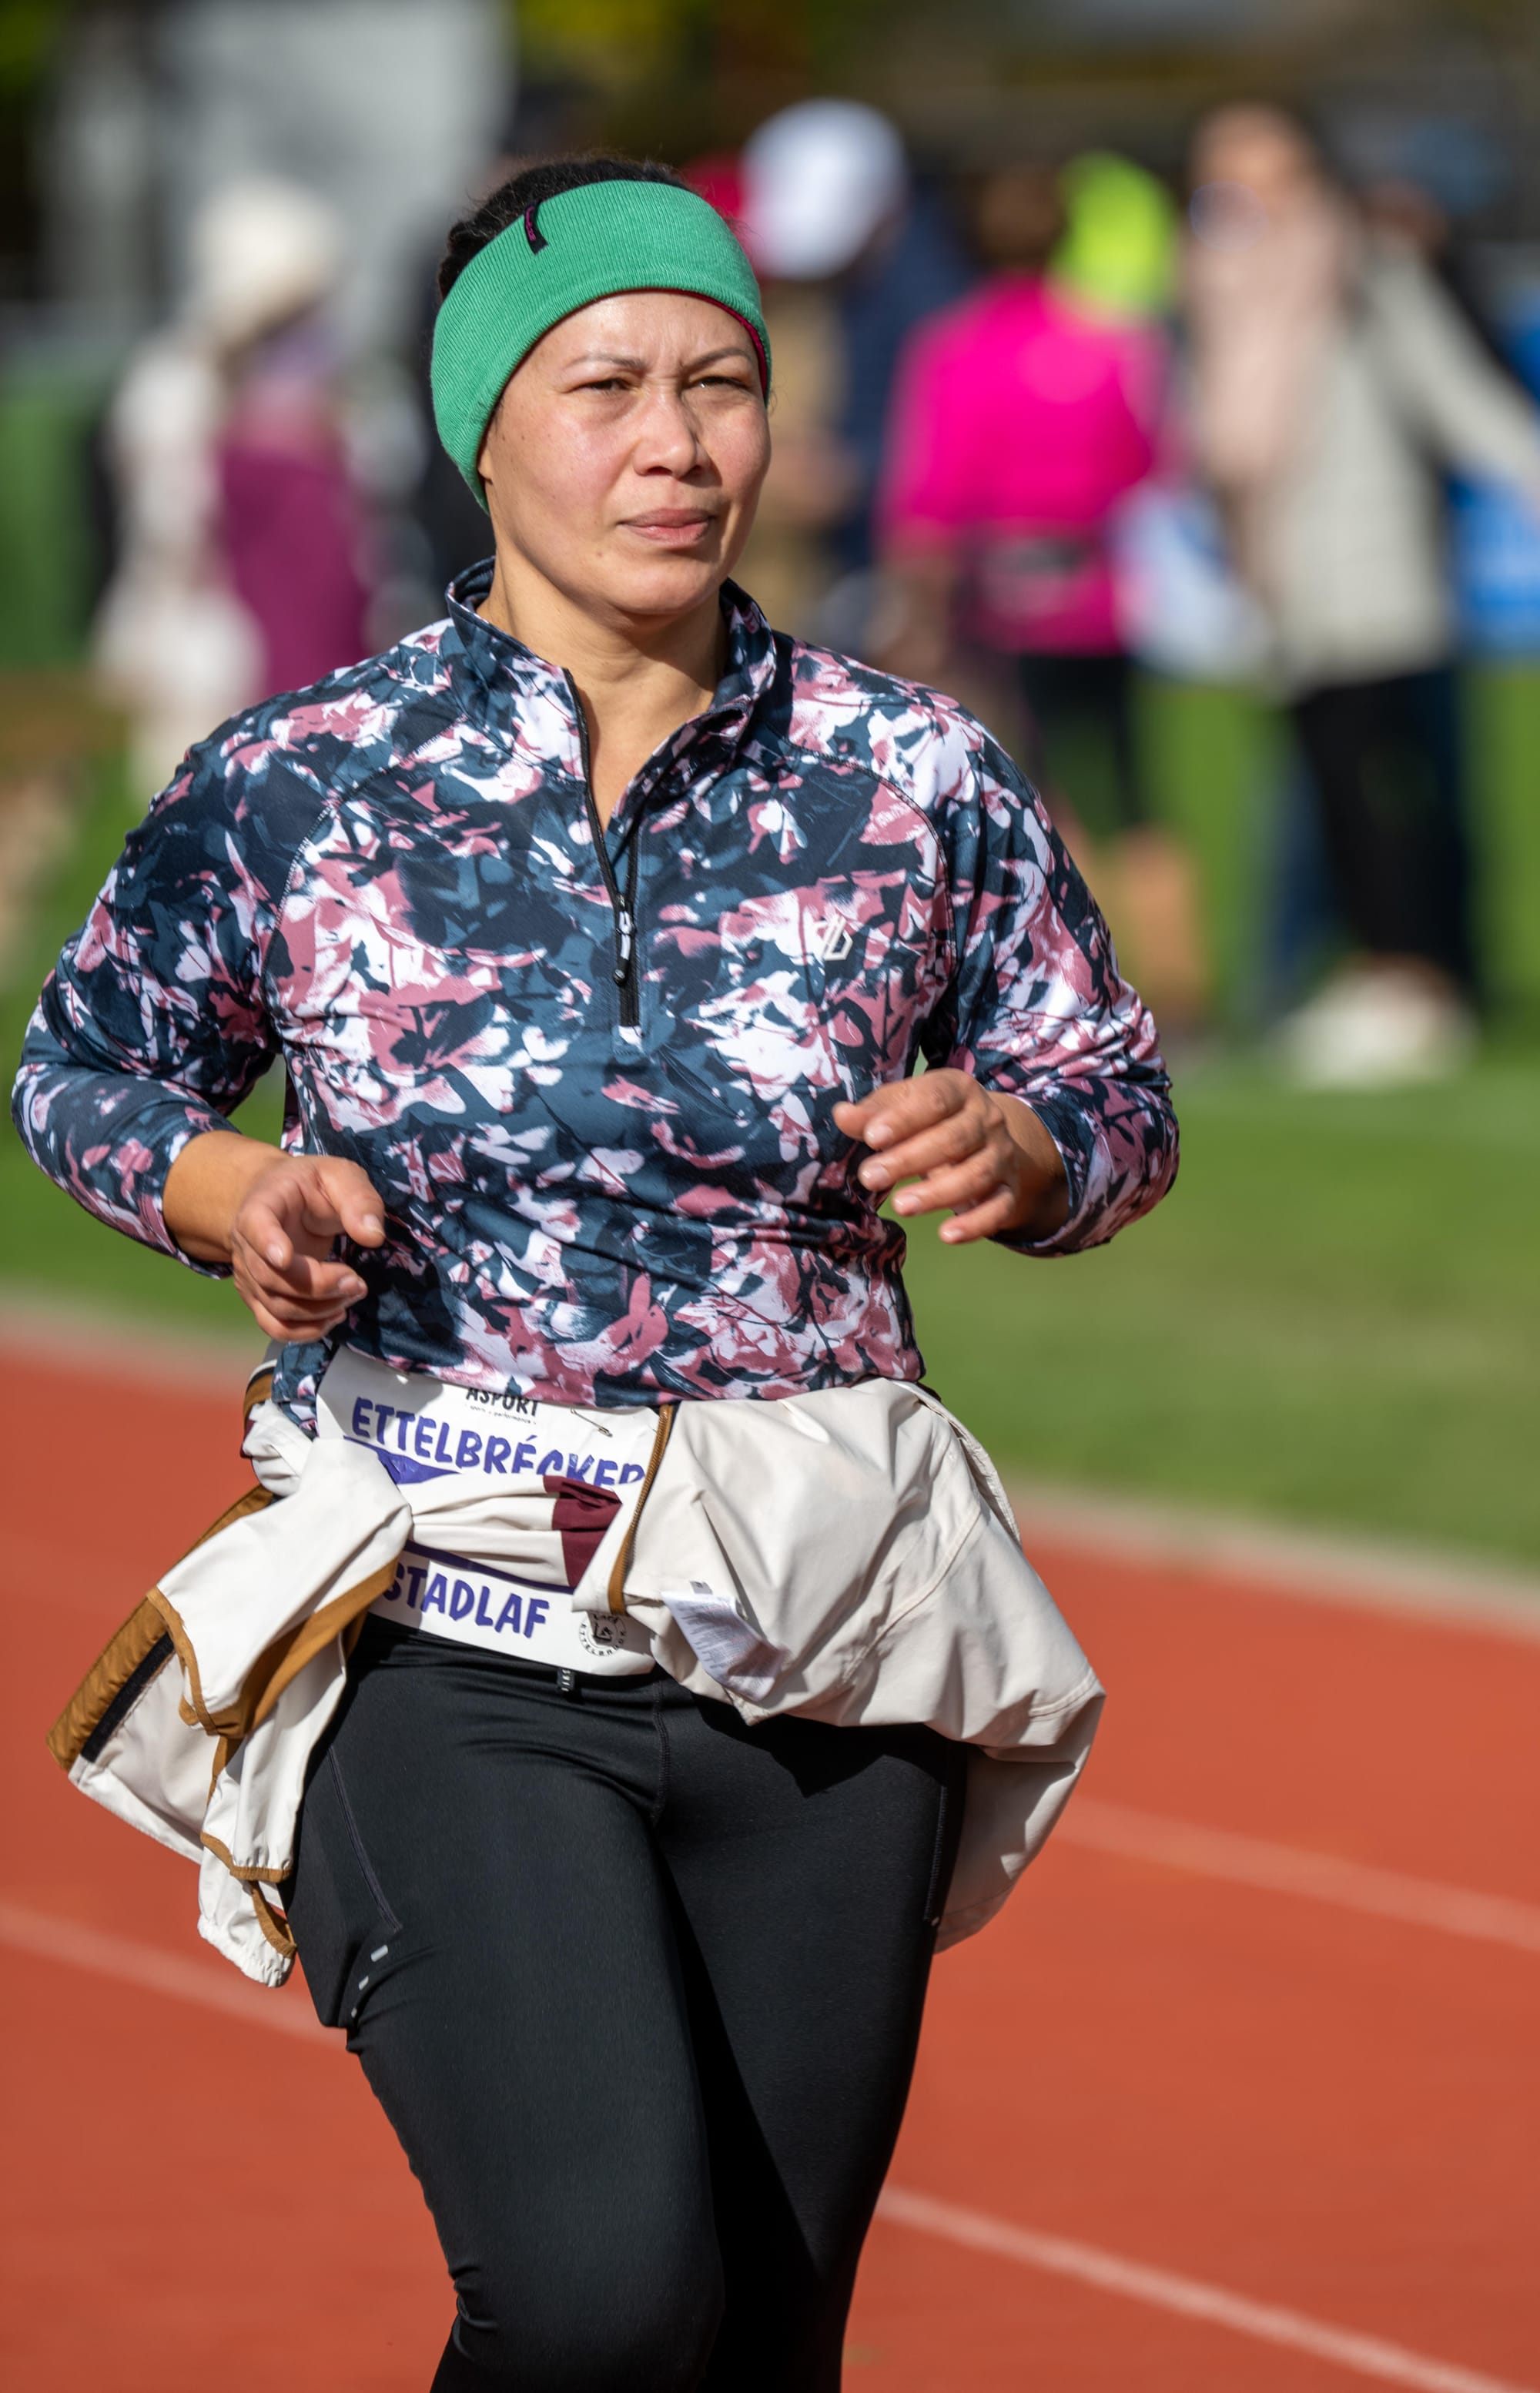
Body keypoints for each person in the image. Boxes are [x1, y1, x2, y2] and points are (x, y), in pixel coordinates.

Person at [13, 156, 1177, 2391]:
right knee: (599, 2300)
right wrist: (230, 1189)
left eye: (721, 384)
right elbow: (83, 1066)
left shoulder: (912, 772)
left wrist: (1033, 1148)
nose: (677, 444)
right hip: (446, 1615)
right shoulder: (305, 779)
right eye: (606, 387)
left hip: (826, 1633)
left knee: (756, 2339)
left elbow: (1105, 1084)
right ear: (481, 430)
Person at [1183, 103, 1540, 1086]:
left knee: (1381, 790)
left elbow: (1455, 393)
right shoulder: (1214, 281)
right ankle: (1377, 972)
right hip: (1281, 585)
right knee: (1331, 789)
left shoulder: (1361, 267)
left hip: (1373, 570)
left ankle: (1414, 981)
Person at [877, 155, 1208, 1033]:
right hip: (1101, 598)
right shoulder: (1114, 343)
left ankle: (1080, 982)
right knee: (1135, 790)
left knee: (1036, 794)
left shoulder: (955, 350)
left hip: (1002, 605)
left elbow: (930, 498)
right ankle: (1180, 981)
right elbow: (1149, 463)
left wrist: (913, 607)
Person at [94, 176, 372, 803]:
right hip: (218, 648)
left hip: (316, 636)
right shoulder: (174, 389)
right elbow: (168, 535)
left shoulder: (326, 382)